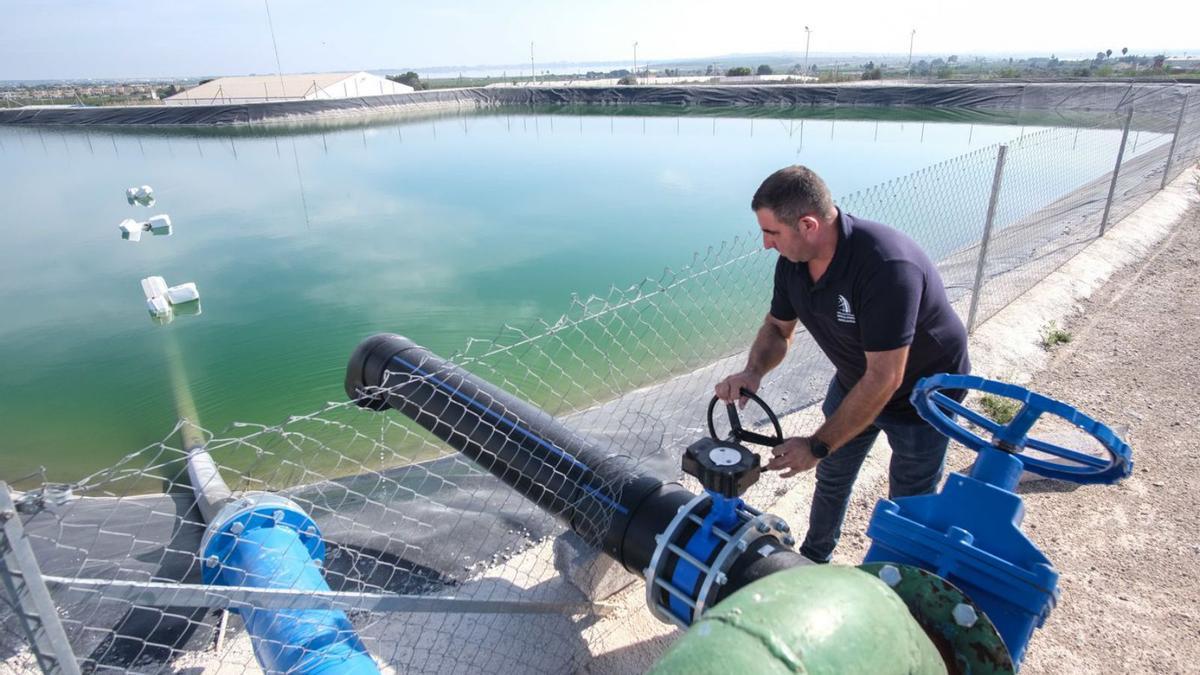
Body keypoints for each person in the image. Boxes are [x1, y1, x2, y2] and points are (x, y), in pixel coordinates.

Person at [714, 165, 970, 564]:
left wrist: (816, 445)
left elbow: (886, 377)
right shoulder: (793, 263)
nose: (765, 244)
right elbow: (778, 329)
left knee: (909, 501)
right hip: (857, 378)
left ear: (808, 224)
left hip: (924, 397)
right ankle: (814, 561)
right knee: (832, 477)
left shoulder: (886, 267)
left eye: (772, 233)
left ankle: (889, 579)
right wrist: (753, 372)